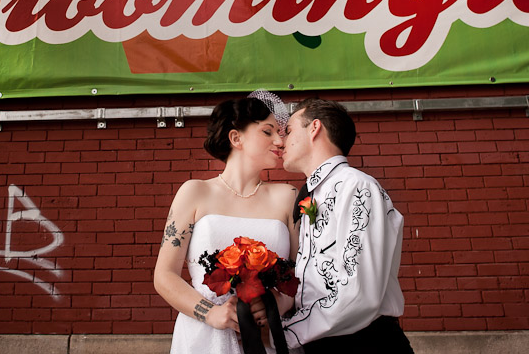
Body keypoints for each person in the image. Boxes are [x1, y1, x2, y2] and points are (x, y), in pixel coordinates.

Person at [154, 90, 299, 354]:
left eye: (280, 133)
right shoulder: (194, 192)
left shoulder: (287, 197)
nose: (280, 141)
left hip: (269, 334)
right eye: (268, 132)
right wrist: (211, 314)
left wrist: (278, 303)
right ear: (236, 138)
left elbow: (302, 275)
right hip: (204, 335)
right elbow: (164, 275)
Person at [280, 98, 413, 353]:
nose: (282, 141)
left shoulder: (356, 187)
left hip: (363, 343)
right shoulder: (312, 195)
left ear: (314, 128)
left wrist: (283, 335)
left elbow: (357, 294)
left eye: (289, 131)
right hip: (318, 341)